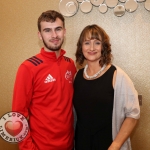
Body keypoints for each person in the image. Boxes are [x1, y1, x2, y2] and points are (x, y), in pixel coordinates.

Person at [12, 10, 76, 150]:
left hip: (69, 145)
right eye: (47, 30)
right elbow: (18, 116)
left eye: (58, 29)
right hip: (41, 146)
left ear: (64, 31)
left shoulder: (70, 64)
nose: (54, 35)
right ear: (40, 35)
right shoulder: (28, 68)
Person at [73, 24, 140, 150]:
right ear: (81, 47)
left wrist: (115, 145)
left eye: (97, 43)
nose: (92, 47)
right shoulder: (77, 76)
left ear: (103, 47)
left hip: (108, 145)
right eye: (87, 43)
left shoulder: (117, 76)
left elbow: (133, 114)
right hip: (82, 144)